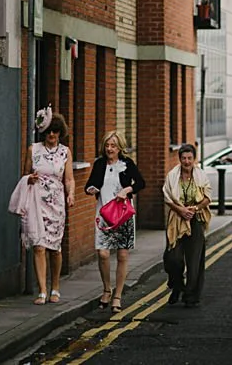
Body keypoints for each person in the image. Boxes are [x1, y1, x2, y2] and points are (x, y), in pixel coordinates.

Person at [19, 107, 74, 305]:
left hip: (57, 205)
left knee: (54, 249)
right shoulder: (33, 150)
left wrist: (71, 194)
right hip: (36, 203)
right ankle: (42, 290)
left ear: (60, 132)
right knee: (39, 246)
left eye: (56, 131)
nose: (52, 134)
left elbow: (68, 179)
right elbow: (24, 175)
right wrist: (30, 178)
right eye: (49, 130)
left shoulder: (65, 152)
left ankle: (55, 287)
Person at [85, 130, 145, 313]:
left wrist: (127, 189)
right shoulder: (99, 164)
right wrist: (91, 189)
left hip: (123, 215)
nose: (109, 149)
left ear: (120, 147)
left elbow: (141, 183)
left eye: (113, 145)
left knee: (122, 255)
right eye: (107, 145)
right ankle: (106, 289)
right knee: (103, 254)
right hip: (104, 214)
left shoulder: (127, 164)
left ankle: (117, 296)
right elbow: (89, 185)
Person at [162, 144, 212, 308]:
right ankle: (177, 285)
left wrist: (195, 208)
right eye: (183, 158)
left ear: (194, 159)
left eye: (190, 158)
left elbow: (207, 197)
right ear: (179, 159)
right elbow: (168, 198)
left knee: (194, 260)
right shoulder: (172, 176)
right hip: (176, 218)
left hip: (195, 218)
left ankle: (191, 296)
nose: (186, 161)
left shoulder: (201, 175)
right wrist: (181, 210)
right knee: (172, 258)